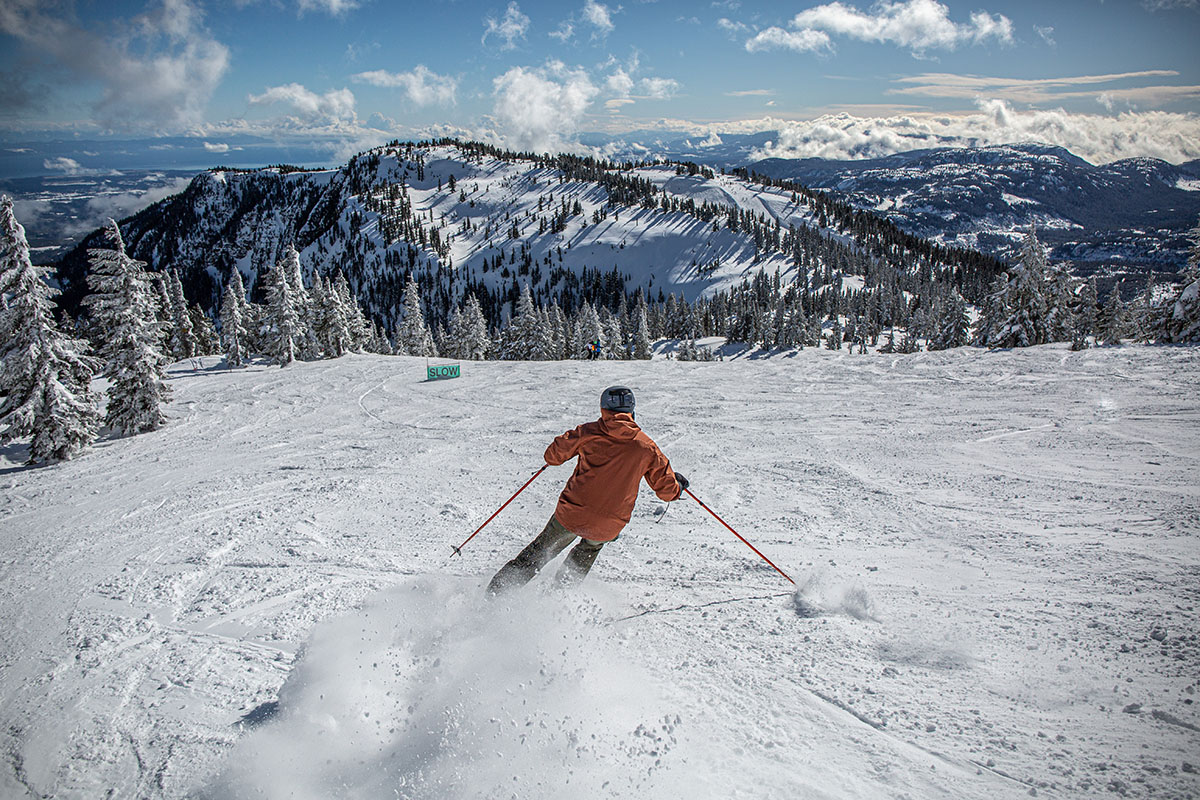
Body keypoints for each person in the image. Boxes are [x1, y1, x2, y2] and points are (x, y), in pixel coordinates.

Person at [487, 386, 688, 594]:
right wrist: (678, 485)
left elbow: (552, 456)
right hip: (609, 522)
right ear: (632, 411)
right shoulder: (647, 447)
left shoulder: (589, 432)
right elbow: (667, 492)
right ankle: (553, 605)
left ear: (603, 409)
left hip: (573, 512)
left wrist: (574, 438)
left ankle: (495, 595)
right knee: (587, 552)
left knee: (539, 553)